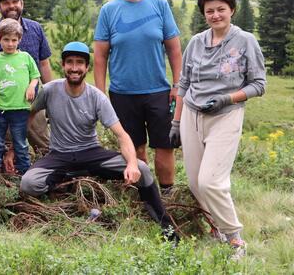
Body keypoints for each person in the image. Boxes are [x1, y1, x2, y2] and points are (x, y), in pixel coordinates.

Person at [20, 42, 178, 241]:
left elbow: (121, 135)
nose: (75, 68)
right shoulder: (50, 90)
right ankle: (66, 181)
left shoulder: (97, 97)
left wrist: (131, 164)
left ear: (87, 68)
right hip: (60, 155)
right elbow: (27, 116)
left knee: (143, 169)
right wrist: (15, 148)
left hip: (92, 153)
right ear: (62, 65)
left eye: (80, 63)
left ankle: (166, 228)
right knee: (28, 183)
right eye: (70, 62)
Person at [169, 0, 265, 258]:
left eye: (221, 9)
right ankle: (216, 229)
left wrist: (228, 98)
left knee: (212, 181)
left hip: (225, 115)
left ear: (231, 10)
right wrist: (176, 122)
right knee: (195, 183)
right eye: (209, 11)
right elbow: (184, 83)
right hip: (191, 114)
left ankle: (235, 239)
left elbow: (258, 85)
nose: (215, 15)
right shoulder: (197, 42)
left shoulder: (245, 41)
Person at [93, 0, 182, 194]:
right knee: (135, 147)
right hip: (122, 93)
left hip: (158, 91)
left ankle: (167, 193)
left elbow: (174, 49)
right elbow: (100, 55)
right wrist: (100, 94)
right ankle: (144, 192)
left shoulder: (159, 5)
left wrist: (177, 85)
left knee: (164, 146)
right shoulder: (109, 10)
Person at [0, 0, 53, 169]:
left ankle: (44, 177)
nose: (11, 6)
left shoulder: (35, 29)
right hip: (2, 104)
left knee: (43, 145)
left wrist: (51, 94)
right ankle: (6, 186)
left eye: (15, 1)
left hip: (32, 101)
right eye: (6, 3)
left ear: (22, 4)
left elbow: (43, 63)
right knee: (3, 148)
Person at [0, 18, 40, 174]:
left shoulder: (26, 58)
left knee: (20, 143)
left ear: (20, 40)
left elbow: (35, 76)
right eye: (6, 39)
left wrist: (31, 86)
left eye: (14, 40)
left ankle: (24, 173)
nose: (10, 44)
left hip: (21, 109)